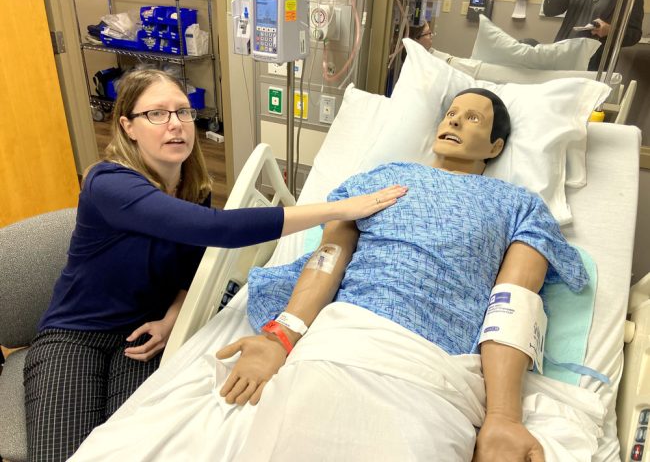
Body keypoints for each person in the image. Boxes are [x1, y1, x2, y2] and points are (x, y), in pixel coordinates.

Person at [69, 88, 590, 462]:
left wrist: (502, 415)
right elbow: (330, 256)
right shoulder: (383, 179)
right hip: (344, 340)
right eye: (450, 112)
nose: (453, 121)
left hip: (436, 367)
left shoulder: (518, 203)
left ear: (496, 147)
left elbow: (513, 303)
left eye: (473, 118)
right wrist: (282, 332)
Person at [23, 68, 407, 462]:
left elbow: (190, 270)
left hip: (143, 336)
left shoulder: (192, 190)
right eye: (157, 114)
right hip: (76, 335)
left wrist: (172, 319)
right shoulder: (108, 183)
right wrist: (340, 208)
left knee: (131, 449)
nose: (176, 125)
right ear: (128, 126)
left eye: (183, 112)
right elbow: (216, 230)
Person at [543, 0, 644, 71]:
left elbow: (634, 34)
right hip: (564, 51)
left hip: (594, 62)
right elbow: (550, 11)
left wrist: (610, 30)